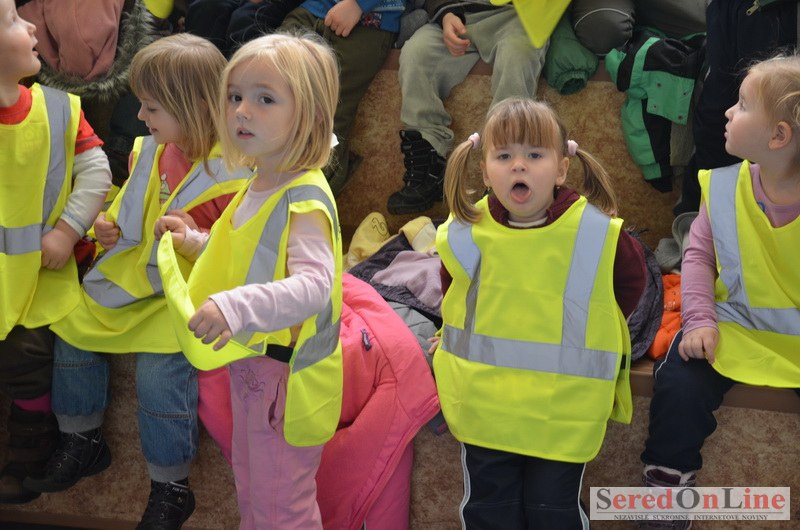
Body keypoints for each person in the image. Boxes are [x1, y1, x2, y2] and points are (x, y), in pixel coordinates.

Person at [22, 33, 250, 530]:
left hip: (188, 291)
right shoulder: (150, 150)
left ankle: (171, 486)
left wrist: (196, 238)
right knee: (73, 325)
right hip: (136, 274)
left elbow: (245, 245)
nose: (141, 116)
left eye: (151, 107)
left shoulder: (238, 167)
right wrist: (107, 225)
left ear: (193, 107)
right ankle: (82, 438)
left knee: (159, 371)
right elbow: (132, 202)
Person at [155, 32, 343, 529]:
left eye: (265, 99)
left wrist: (234, 307)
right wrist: (193, 242)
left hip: (288, 380)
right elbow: (247, 256)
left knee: (283, 508)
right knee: (254, 491)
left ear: (309, 116)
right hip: (255, 370)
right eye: (235, 96)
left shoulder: (303, 197)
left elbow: (314, 287)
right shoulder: (260, 182)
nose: (242, 110)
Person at [431, 97, 646, 528]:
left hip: (562, 410)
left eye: (534, 154)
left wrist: (595, 324)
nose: (519, 165)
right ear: (484, 170)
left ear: (562, 168)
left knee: (554, 513)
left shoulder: (596, 232)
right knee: (490, 512)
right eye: (504, 156)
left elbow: (628, 284)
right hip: (485, 407)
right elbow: (455, 293)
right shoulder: (464, 233)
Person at [639, 53, 800, 529]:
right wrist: (700, 321)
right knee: (679, 381)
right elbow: (697, 258)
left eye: (742, 104)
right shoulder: (725, 187)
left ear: (778, 136)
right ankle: (666, 488)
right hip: (734, 332)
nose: (728, 112)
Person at [0, 0, 111, 504]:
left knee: (27, 355)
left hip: (44, 277)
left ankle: (29, 452)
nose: (30, 25)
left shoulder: (59, 108)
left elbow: (96, 172)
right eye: (12, 20)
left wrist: (67, 232)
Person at [385, 0, 548, 215]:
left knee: (518, 59)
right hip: (457, 15)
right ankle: (429, 165)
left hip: (517, 17)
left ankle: (507, 178)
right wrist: (445, 13)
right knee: (416, 54)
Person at [278, 0, 406, 195]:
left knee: (329, 115)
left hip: (371, 21)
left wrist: (358, 5)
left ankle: (314, 196)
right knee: (273, 81)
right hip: (313, 9)